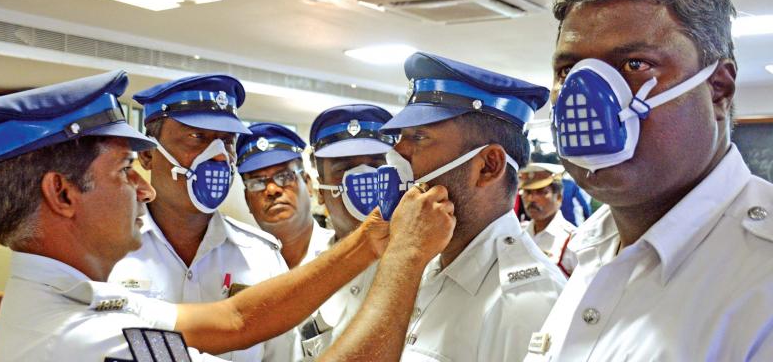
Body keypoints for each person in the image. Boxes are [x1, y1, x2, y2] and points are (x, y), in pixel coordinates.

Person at [0, 70, 454, 362]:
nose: (142, 186)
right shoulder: (90, 339)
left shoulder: (77, 299)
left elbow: (234, 320)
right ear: (61, 194)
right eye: (124, 171)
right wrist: (405, 259)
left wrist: (373, 239)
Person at [524, 0, 773, 361]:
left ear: (718, 89)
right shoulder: (594, 248)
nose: (586, 100)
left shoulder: (760, 283)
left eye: (634, 64)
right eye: (570, 72)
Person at [322, 52, 567, 362]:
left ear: (488, 166)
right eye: (400, 138)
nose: (397, 154)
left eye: (419, 137)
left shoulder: (525, 303)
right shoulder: (425, 266)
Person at [108, 75, 292, 361]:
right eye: (198, 138)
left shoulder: (261, 258)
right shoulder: (105, 252)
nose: (218, 157)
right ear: (147, 155)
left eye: (227, 142)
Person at [296, 104, 394, 359]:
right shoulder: (309, 273)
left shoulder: (422, 264)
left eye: (377, 164)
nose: (364, 177)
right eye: (343, 168)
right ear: (321, 190)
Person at [237, 123, 335, 270]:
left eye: (284, 176)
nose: (271, 189)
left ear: (308, 184)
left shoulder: (344, 253)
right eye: (257, 182)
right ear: (247, 200)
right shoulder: (237, 264)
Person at [518, 163, 576, 275]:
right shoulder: (519, 233)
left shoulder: (572, 240)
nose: (531, 199)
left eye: (541, 192)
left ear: (558, 197)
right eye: (527, 192)